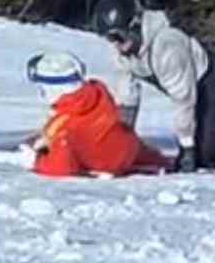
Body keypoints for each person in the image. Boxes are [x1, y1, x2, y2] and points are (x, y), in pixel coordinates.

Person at [92, 0, 215, 172]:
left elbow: (183, 100)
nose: (114, 45)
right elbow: (127, 95)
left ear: (135, 26)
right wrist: (122, 138)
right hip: (183, 88)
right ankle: (210, 140)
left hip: (211, 83)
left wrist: (187, 148)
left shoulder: (167, 46)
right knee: (198, 134)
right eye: (108, 38)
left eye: (117, 37)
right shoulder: (125, 53)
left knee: (202, 155)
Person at [24, 50, 170, 179]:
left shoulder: (66, 127)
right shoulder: (98, 94)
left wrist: (36, 161)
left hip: (110, 162)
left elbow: (61, 169)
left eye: (41, 88)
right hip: (128, 146)